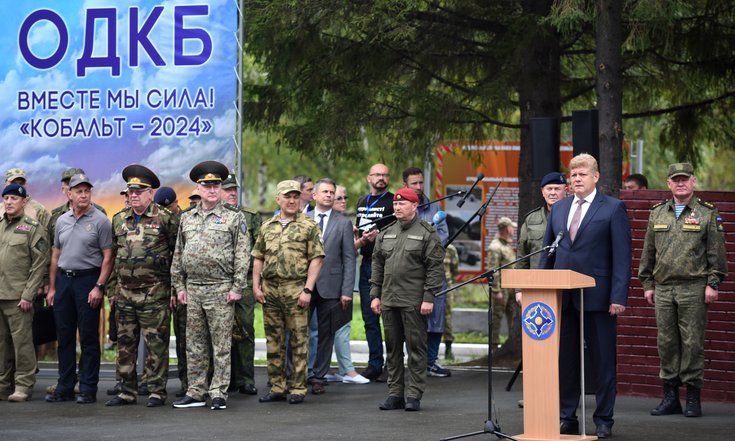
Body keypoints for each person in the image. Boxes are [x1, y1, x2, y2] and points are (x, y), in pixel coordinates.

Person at [539, 153, 631, 439]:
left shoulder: (613, 208)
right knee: (565, 361)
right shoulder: (560, 208)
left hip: (599, 297)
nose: (576, 179)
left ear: (596, 177)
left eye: (582, 174)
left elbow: (622, 257)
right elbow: (547, 253)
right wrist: (541, 289)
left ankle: (603, 419)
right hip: (563, 298)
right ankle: (566, 416)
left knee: (602, 361)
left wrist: (618, 296)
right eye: (573, 174)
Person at [638, 163, 727, 418]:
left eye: (684, 179)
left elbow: (717, 253)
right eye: (675, 180)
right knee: (666, 343)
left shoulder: (707, 213)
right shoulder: (657, 213)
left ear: (693, 182)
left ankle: (693, 398)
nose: (680, 183)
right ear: (668, 184)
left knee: (692, 343)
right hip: (664, 289)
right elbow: (648, 252)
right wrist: (647, 284)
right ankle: (670, 397)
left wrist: (713, 283)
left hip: (694, 288)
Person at [171, 161, 250, 411]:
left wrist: (237, 287)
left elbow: (242, 254)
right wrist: (178, 286)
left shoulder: (233, 217)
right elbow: (178, 254)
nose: (212, 189)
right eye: (207, 185)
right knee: (194, 344)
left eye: (216, 185)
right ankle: (196, 391)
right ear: (199, 188)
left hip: (220, 289)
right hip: (193, 289)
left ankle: (218, 392)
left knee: (221, 344)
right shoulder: (187, 218)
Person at [105, 165, 179, 408]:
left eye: (140, 191)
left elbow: (177, 255)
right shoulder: (118, 220)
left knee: (155, 345)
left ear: (150, 193)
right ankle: (126, 391)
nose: (134, 195)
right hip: (125, 294)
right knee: (125, 344)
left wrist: (174, 290)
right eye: (131, 191)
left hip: (155, 293)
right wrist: (112, 289)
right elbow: (113, 257)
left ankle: (157, 391)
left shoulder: (166, 219)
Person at [371, 188, 445, 412]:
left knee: (416, 348)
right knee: (392, 348)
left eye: (403, 204)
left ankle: (413, 394)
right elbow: (377, 264)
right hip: (389, 299)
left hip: (414, 300)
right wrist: (375, 294)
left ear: (414, 206)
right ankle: (395, 393)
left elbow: (435, 268)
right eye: (395, 204)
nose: (397, 207)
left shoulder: (426, 232)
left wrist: (429, 297)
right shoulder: (386, 232)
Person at [253, 180, 324, 405]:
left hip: (296, 289)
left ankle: (298, 387)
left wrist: (307, 289)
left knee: (299, 341)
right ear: (278, 199)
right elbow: (258, 257)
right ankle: (277, 386)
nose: (292, 200)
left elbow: (317, 259)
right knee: (273, 341)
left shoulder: (309, 226)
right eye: (287, 196)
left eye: (295, 196)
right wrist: (256, 286)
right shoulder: (267, 226)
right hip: (270, 289)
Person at [45, 174, 114, 404]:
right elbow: (56, 254)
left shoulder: (101, 220)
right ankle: (64, 386)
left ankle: (87, 387)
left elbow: (108, 256)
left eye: (87, 191)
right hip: (64, 281)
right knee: (64, 337)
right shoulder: (62, 220)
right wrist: (52, 287)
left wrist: (99, 286)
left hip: (88, 281)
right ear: (70, 194)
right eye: (79, 191)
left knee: (88, 337)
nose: (83, 195)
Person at [307, 179, 357, 395]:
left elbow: (349, 258)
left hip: (332, 286)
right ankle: (296, 375)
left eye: (332, 192)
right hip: (305, 285)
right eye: (325, 192)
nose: (329, 195)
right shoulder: (303, 219)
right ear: (314, 196)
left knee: (326, 333)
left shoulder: (343, 222)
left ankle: (319, 376)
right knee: (298, 331)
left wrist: (346, 291)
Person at [0, 184, 49, 402]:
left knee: (22, 344)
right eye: (6, 198)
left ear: (24, 201)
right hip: (0, 295)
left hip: (19, 297)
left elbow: (40, 264)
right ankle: (3, 385)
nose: (9, 202)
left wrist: (28, 295)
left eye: (13, 198)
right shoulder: (0, 226)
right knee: (1, 344)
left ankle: (23, 385)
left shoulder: (32, 228)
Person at [401, 166, 450, 377]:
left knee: (436, 316)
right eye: (415, 183)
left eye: (421, 182)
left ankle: (431, 361)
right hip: (410, 273)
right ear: (406, 185)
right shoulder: (401, 206)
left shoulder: (434, 207)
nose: (420, 187)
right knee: (411, 318)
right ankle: (414, 362)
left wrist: (422, 242)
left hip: (433, 269)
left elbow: (443, 237)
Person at [220, 173, 261, 396]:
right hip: (217, 282)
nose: (232, 193)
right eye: (228, 189)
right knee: (219, 332)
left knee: (245, 329)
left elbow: (259, 251)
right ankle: (223, 379)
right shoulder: (210, 216)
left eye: (234, 189)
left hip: (244, 281)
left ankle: (245, 378)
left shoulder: (250, 217)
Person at [325, 185, 370, 384]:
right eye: (339, 198)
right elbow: (336, 252)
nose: (343, 201)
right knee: (332, 328)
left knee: (342, 327)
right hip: (329, 283)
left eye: (345, 197)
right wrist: (360, 242)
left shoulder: (344, 223)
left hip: (344, 280)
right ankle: (345, 371)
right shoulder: (323, 223)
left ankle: (342, 369)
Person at [354, 163, 394, 381]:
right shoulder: (362, 202)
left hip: (387, 264)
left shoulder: (393, 201)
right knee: (370, 318)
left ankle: (392, 364)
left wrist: (382, 237)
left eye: (385, 175)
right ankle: (374, 363)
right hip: (367, 262)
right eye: (377, 175)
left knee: (389, 317)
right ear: (368, 178)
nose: (381, 178)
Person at [154, 186, 188, 398]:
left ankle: (188, 383)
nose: (168, 210)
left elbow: (181, 261)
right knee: (160, 338)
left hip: (184, 289)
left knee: (186, 339)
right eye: (163, 207)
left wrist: (177, 290)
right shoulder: (158, 222)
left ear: (177, 203)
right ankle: (155, 383)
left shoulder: (186, 221)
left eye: (171, 206)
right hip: (161, 288)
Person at [486, 217, 518, 353]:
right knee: (497, 317)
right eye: (511, 227)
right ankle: (493, 346)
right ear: (506, 228)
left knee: (512, 315)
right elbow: (493, 270)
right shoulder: (495, 247)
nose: (513, 230)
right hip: (501, 288)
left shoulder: (506, 245)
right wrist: (496, 290)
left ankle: (512, 342)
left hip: (510, 287)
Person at [1, 168, 51, 234]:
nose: (18, 186)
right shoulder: (0, 208)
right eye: (13, 183)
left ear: (26, 185)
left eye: (21, 183)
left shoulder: (39, 210)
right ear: (5, 186)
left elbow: (49, 237)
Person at [442, 244, 459, 360]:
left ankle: (448, 349)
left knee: (447, 318)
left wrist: (449, 283)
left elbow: (455, 269)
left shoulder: (450, 248)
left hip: (446, 288)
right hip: (423, 287)